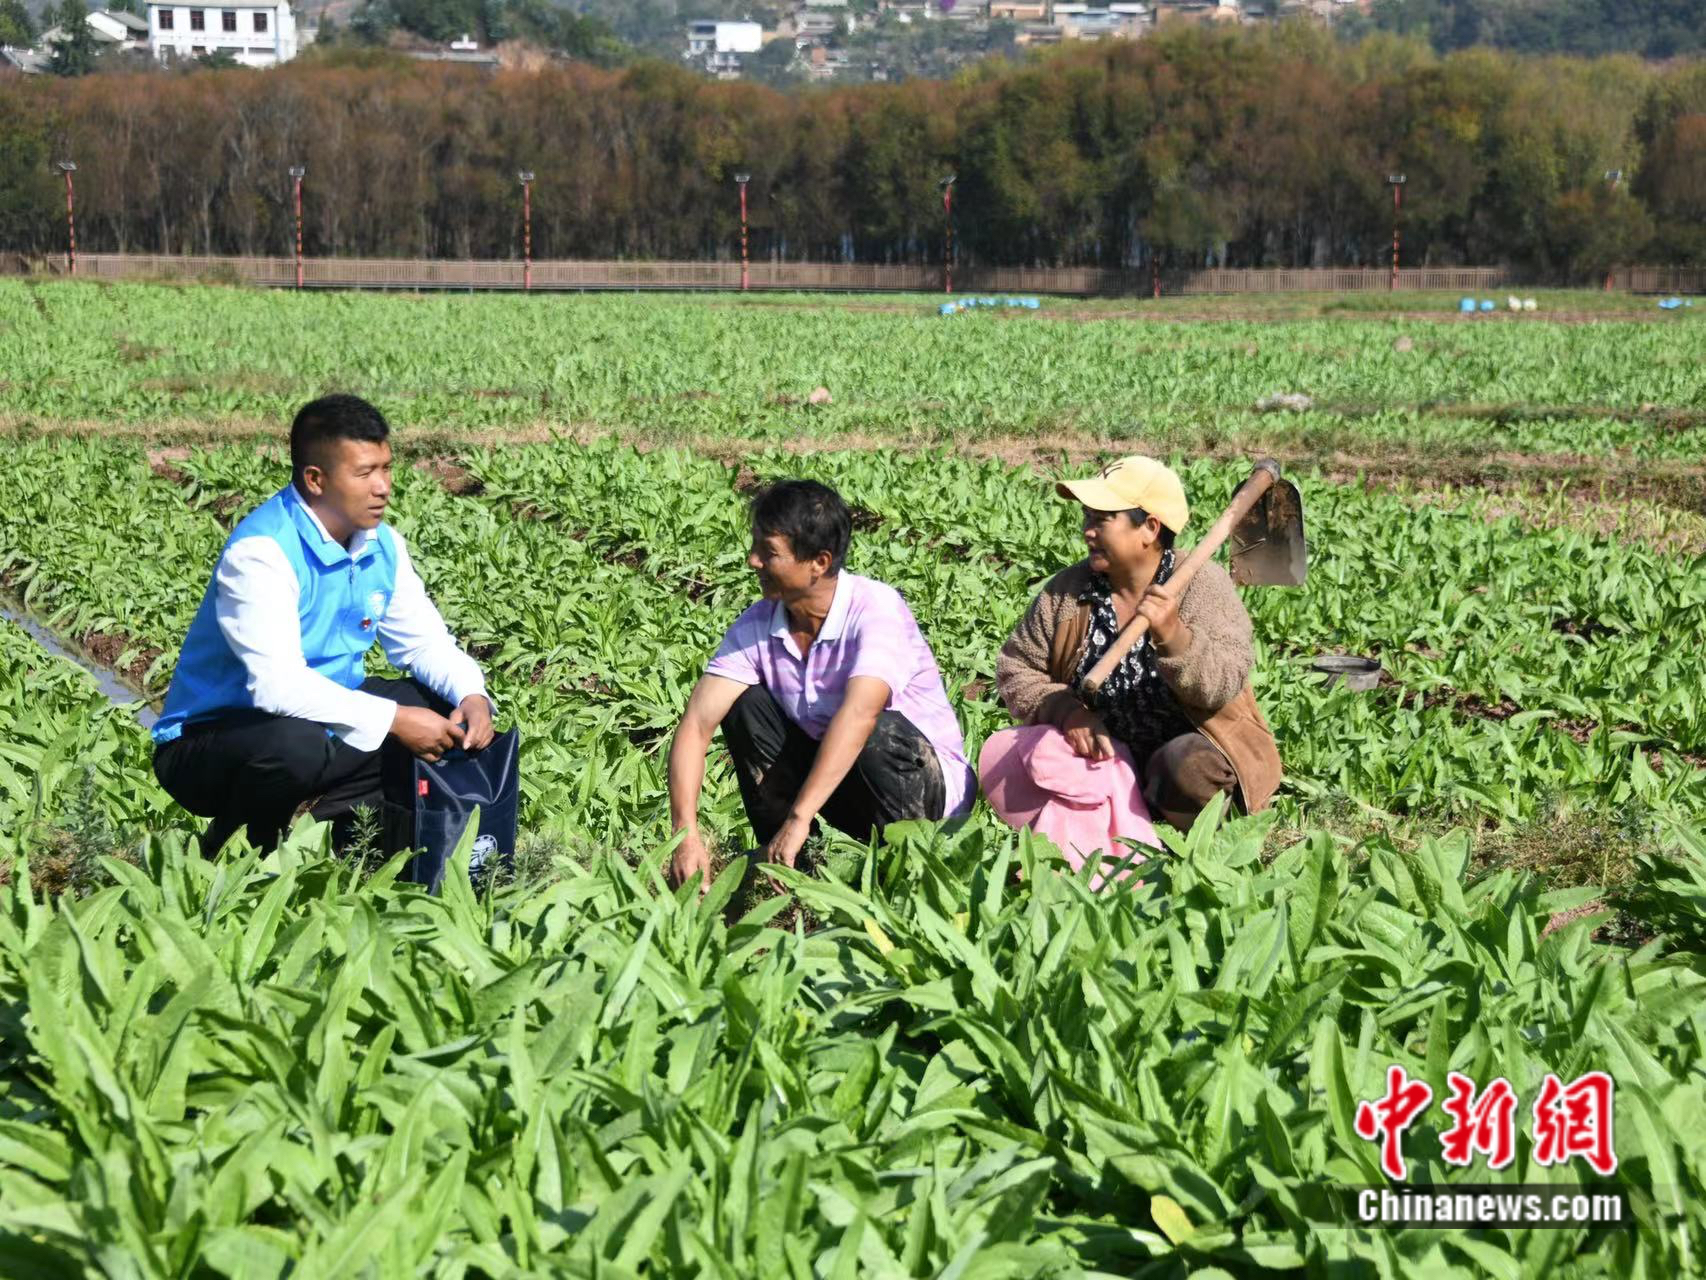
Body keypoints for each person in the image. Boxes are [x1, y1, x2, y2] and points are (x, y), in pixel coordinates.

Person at [152, 394, 498, 856]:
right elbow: (277, 688)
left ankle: (353, 837)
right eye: (364, 473)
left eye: (386, 468)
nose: (383, 487)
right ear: (315, 479)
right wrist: (394, 720)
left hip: (321, 720)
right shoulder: (261, 552)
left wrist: (472, 696)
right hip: (213, 740)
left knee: (441, 706)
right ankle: (238, 847)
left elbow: (423, 644)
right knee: (297, 743)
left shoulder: (382, 544)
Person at [668, 480, 974, 887]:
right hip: (839, 789)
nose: (753, 560)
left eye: (769, 552)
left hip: (921, 796)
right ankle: (796, 871)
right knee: (745, 705)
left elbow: (861, 714)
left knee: (875, 730)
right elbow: (696, 724)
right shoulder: (759, 624)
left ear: (819, 561)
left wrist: (800, 815)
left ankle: (904, 872)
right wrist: (684, 834)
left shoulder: (875, 610)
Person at [991, 455, 1280, 833]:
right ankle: (1108, 814)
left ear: (1149, 529)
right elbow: (1016, 666)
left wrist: (1174, 637)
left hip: (1187, 751)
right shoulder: (1067, 593)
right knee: (1011, 756)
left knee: (1183, 768)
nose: (1087, 531)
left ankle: (1194, 827)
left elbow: (1222, 684)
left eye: (1101, 519)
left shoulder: (1202, 586)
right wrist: (1067, 712)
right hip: (1103, 756)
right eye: (1087, 517)